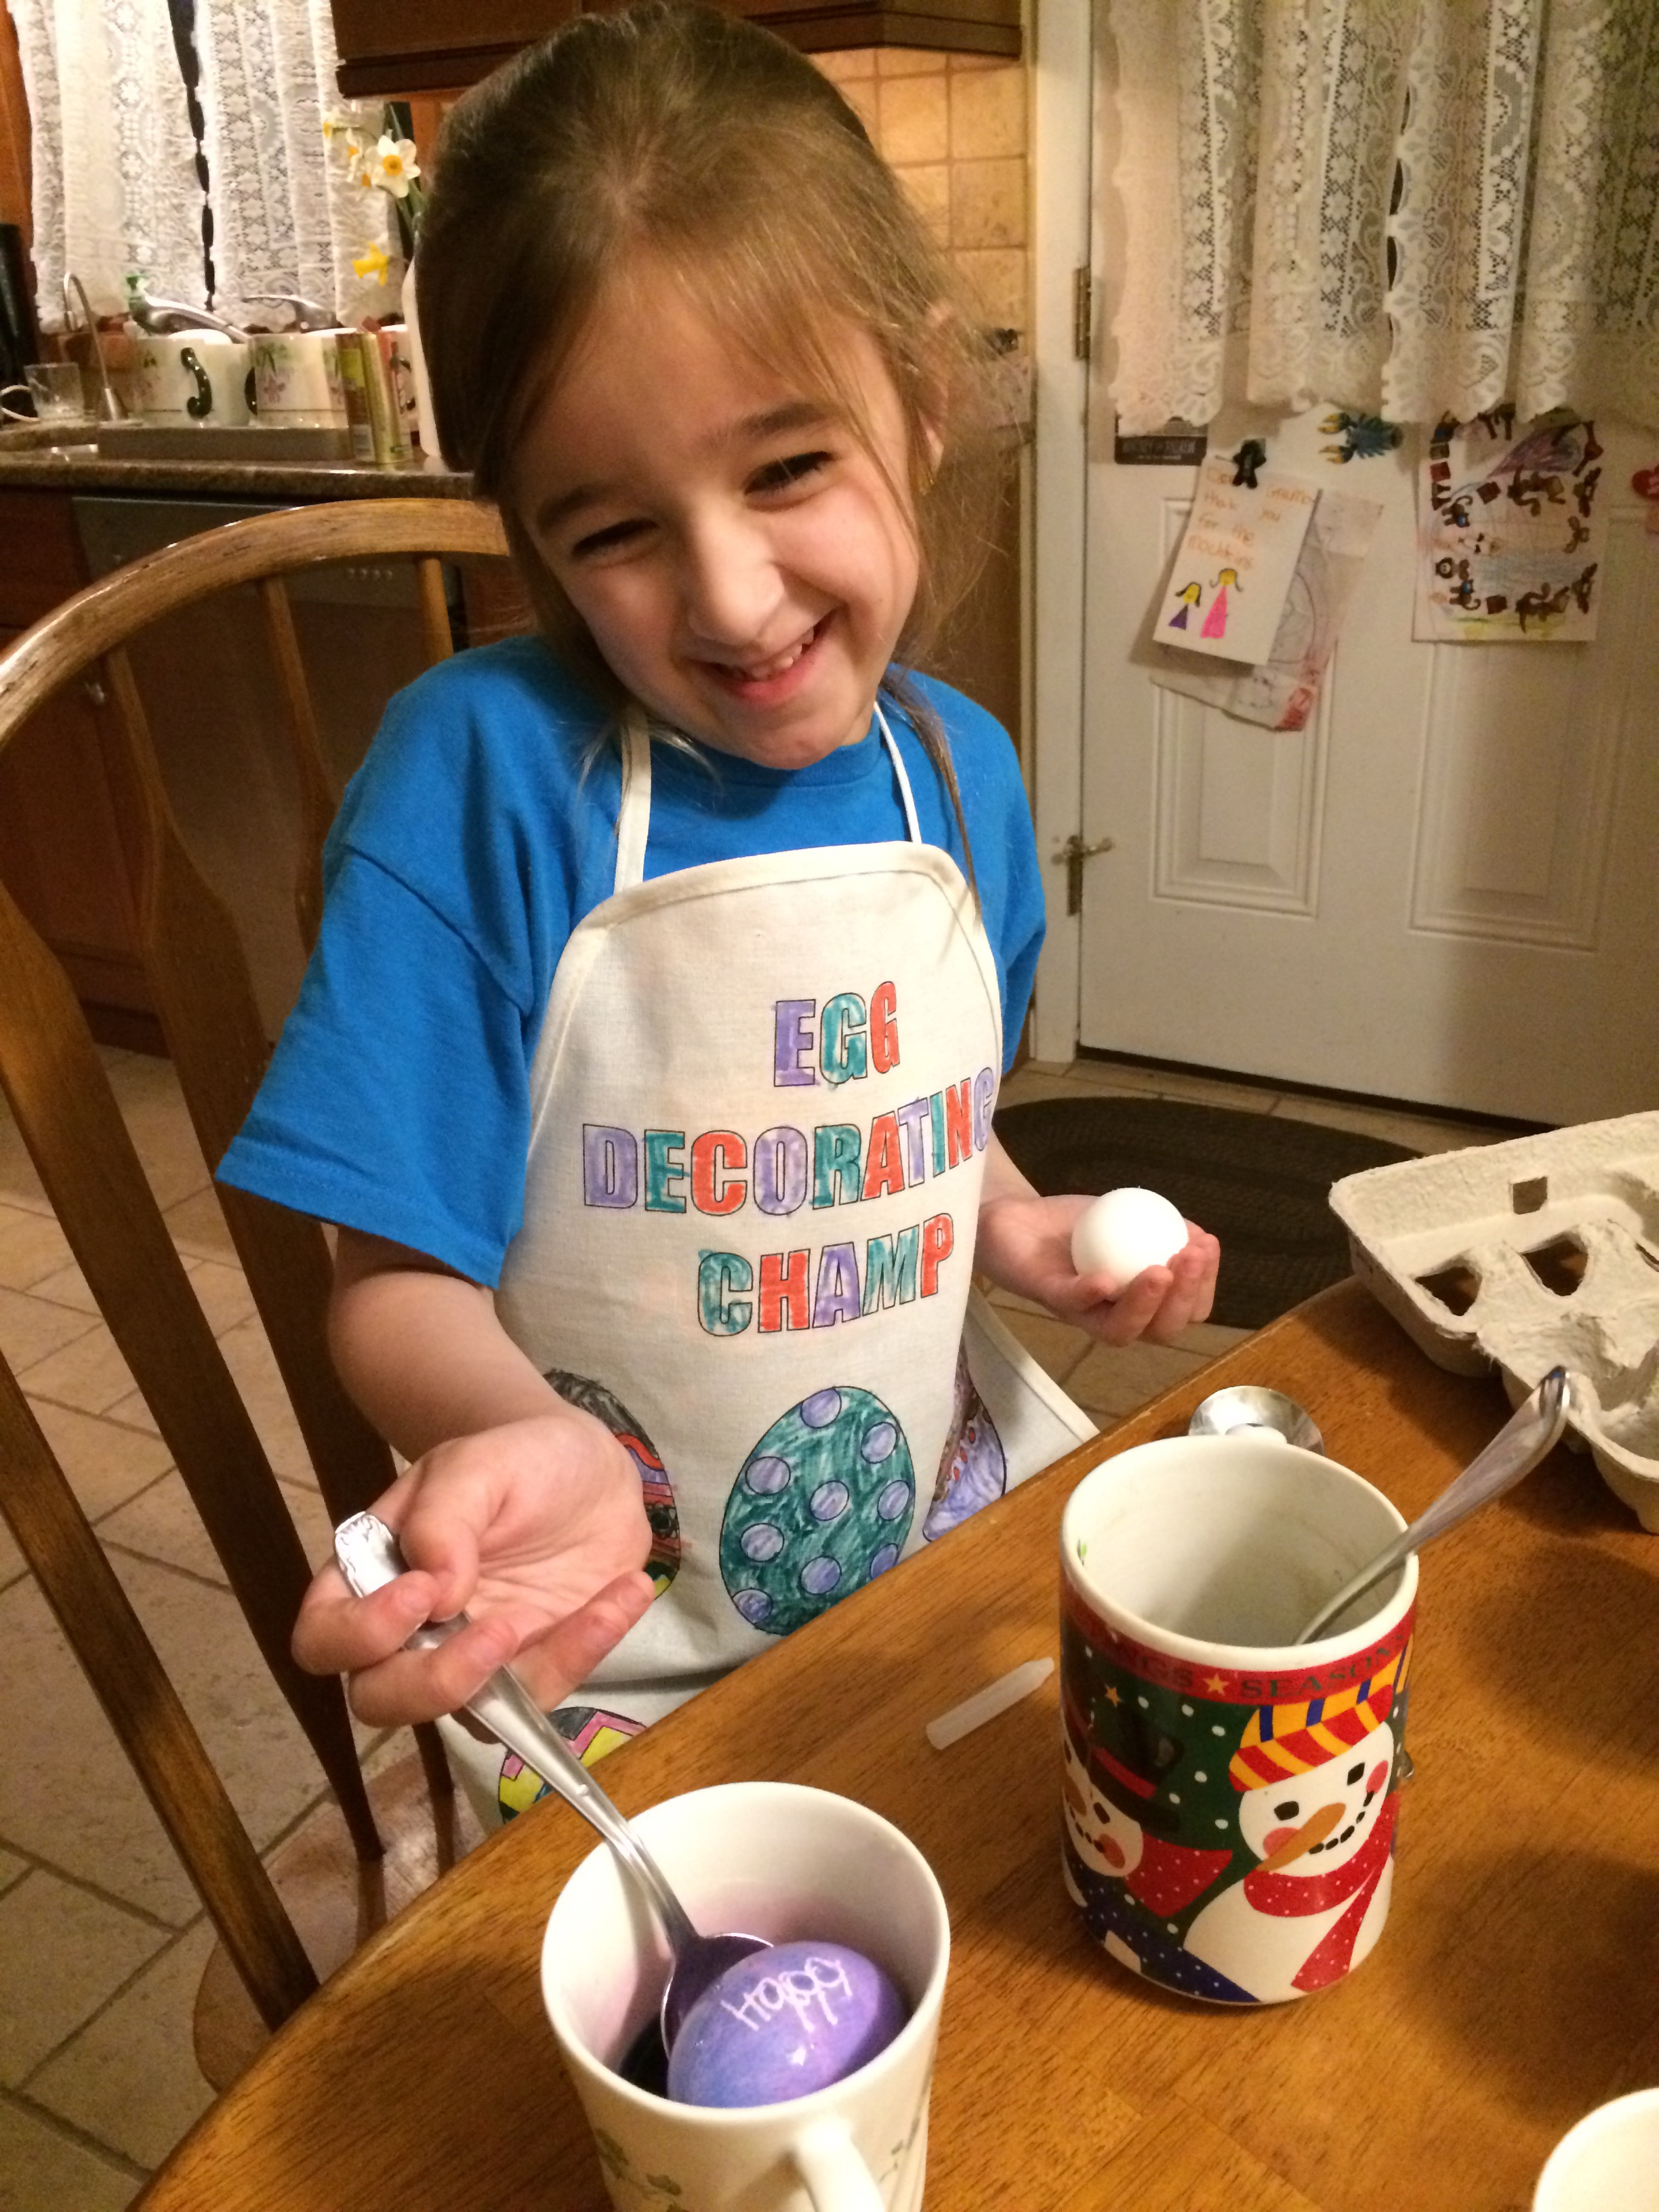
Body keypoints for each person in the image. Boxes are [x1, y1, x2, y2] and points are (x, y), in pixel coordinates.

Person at [218, 0, 1220, 1828]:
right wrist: (514, 1434)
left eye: (785, 470)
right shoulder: (482, 783)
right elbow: (388, 1277)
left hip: (928, 1546)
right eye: (613, 530)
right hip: (617, 1631)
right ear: (531, 532)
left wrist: (1020, 1226)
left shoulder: (962, 776)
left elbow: (929, 1129)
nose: (734, 598)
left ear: (918, 398)